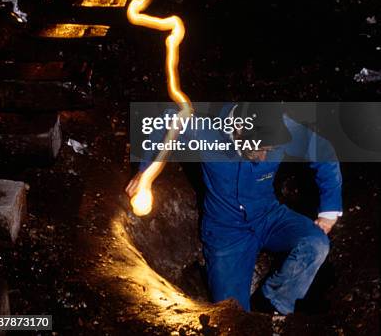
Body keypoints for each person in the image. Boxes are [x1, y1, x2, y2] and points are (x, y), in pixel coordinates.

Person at [126, 102, 343, 315]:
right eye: (261, 148)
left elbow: (323, 151)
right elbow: (167, 121)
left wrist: (329, 212)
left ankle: (274, 304)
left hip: (269, 216)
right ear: (239, 130)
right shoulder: (205, 131)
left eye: (271, 149)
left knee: (316, 243)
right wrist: (145, 172)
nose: (265, 157)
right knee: (232, 313)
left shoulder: (279, 127)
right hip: (226, 232)